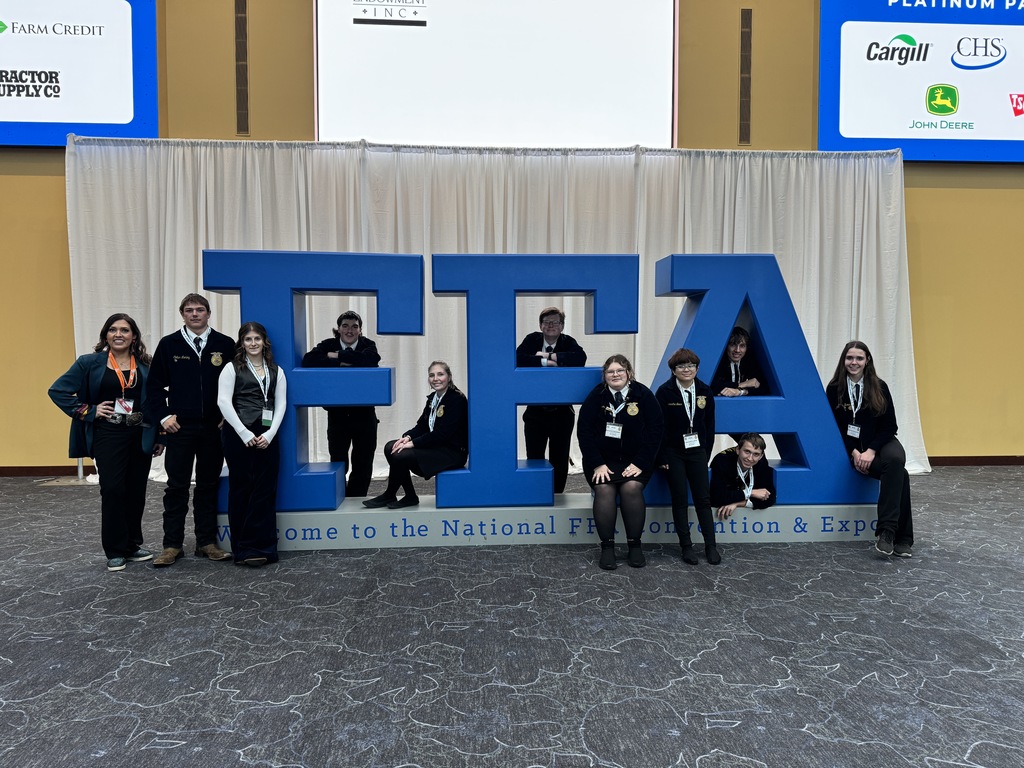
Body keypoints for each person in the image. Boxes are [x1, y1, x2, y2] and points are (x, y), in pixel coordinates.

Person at [48, 314, 163, 571]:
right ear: (106, 335)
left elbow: (156, 400)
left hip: (140, 433)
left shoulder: (145, 364)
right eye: (113, 330)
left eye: (124, 330)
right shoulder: (89, 363)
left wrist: (160, 436)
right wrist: (89, 410)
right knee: (112, 489)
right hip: (108, 434)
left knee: (136, 491)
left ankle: (132, 545)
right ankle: (114, 549)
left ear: (134, 336)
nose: (118, 334)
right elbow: (57, 390)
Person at [145, 293, 236, 567]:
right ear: (182, 314)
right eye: (189, 310)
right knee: (177, 487)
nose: (194, 314)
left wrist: (228, 415)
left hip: (213, 428)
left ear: (208, 313)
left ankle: (206, 542)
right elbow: (154, 387)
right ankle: (172, 545)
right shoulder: (169, 344)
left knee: (208, 486)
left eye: (199, 310)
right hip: (179, 428)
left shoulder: (224, 344)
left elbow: (239, 383)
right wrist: (163, 417)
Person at [826, 341, 914, 557]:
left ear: (867, 361)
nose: (854, 362)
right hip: (854, 447)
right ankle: (901, 538)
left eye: (859, 358)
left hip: (882, 442)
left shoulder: (879, 386)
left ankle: (886, 531)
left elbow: (890, 426)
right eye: (849, 358)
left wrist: (871, 451)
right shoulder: (834, 389)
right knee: (899, 475)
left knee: (895, 460)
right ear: (843, 360)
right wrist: (855, 453)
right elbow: (834, 428)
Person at [577, 355, 664, 570]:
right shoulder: (596, 396)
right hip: (602, 461)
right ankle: (607, 548)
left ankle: (635, 546)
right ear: (605, 375)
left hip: (635, 461)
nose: (615, 375)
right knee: (604, 489)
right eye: (610, 371)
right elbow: (584, 433)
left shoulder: (643, 395)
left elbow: (656, 431)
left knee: (631, 488)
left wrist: (641, 462)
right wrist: (597, 463)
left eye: (620, 370)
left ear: (629, 373)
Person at [217, 322, 287, 566]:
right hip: (238, 433)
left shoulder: (276, 370)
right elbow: (223, 402)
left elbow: (281, 403)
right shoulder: (231, 368)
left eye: (257, 338)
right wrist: (244, 433)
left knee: (266, 489)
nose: (253, 343)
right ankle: (243, 549)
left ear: (264, 341)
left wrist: (271, 433)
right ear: (242, 343)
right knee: (242, 487)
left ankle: (265, 548)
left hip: (267, 434)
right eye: (248, 339)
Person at [363, 361, 468, 510]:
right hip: (436, 446)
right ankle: (406, 495)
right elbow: (422, 426)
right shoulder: (433, 398)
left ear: (449, 377)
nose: (435, 379)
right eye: (431, 375)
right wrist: (407, 437)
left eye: (440, 374)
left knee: (400, 455)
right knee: (390, 447)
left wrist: (413, 444)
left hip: (452, 452)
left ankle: (394, 494)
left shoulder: (457, 399)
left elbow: (443, 434)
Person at [302, 311, 381, 497]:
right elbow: (309, 360)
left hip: (364, 415)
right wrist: (342, 362)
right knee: (338, 461)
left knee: (363, 462)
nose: (349, 330)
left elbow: (371, 360)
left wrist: (336, 356)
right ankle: (340, 498)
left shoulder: (368, 345)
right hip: (337, 416)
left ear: (360, 330)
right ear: (338, 329)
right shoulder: (328, 344)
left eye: (354, 326)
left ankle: (356, 499)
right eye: (345, 326)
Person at [656, 348, 720, 565]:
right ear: (673, 370)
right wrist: (662, 456)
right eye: (681, 366)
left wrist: (706, 452)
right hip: (673, 453)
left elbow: (709, 425)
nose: (686, 369)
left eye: (690, 365)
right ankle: (686, 546)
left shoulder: (705, 391)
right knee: (680, 499)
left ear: (697, 368)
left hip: (697, 451)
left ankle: (711, 546)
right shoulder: (664, 392)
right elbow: (659, 427)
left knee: (703, 499)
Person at [515, 307, 588, 493]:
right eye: (546, 322)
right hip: (535, 412)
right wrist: (545, 363)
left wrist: (549, 355)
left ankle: (558, 494)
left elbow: (580, 358)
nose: (551, 325)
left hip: (562, 412)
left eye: (555, 322)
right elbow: (518, 358)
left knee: (560, 457)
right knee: (534, 457)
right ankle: (536, 493)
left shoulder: (567, 341)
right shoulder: (532, 340)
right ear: (540, 325)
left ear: (562, 326)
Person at [709, 432, 776, 520]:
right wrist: (751, 493)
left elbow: (770, 498)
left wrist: (738, 503)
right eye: (747, 452)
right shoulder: (722, 461)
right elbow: (716, 497)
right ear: (738, 450)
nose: (750, 458)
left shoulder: (761, 463)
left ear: (761, 456)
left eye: (756, 454)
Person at [711, 326, 766, 398]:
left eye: (742, 346)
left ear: (747, 348)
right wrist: (744, 384)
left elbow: (764, 388)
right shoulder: (718, 362)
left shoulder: (749, 361)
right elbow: (713, 386)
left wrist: (740, 392)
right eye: (733, 345)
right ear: (726, 346)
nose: (737, 350)